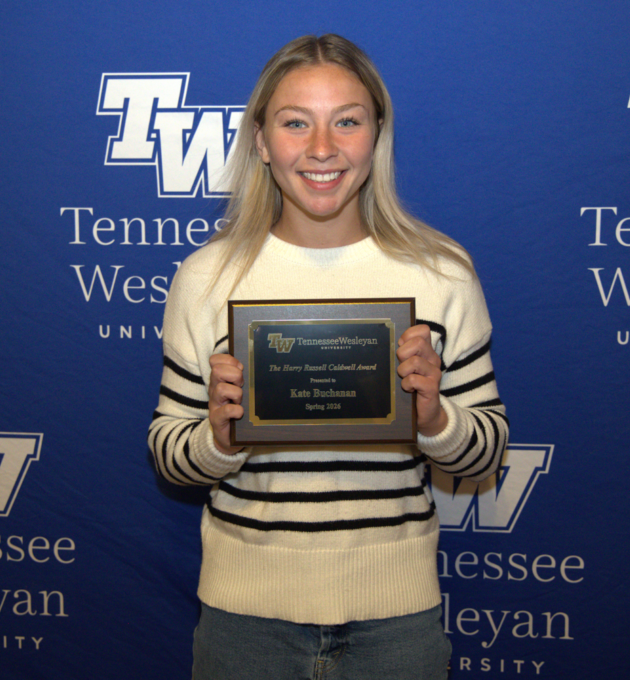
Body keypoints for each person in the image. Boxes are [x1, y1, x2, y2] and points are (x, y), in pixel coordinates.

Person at [148, 34, 508, 680]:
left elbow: (488, 450)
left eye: (347, 121)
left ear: (376, 135)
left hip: (397, 626)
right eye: (295, 123)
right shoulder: (205, 278)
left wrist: (435, 419)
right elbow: (168, 456)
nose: (321, 149)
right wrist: (217, 438)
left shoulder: (442, 273)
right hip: (244, 625)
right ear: (260, 141)